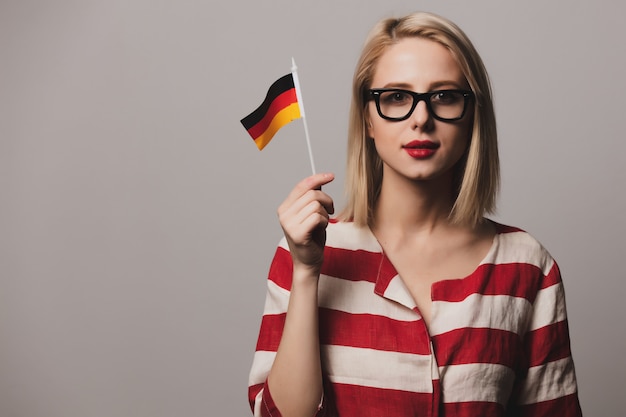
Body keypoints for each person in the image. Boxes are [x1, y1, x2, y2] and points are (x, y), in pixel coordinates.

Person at [248, 11, 583, 417]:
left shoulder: (527, 265)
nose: (421, 118)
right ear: (368, 119)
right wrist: (306, 273)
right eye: (396, 97)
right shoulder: (305, 249)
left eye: (444, 96)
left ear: (472, 114)